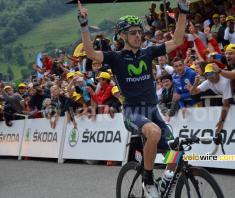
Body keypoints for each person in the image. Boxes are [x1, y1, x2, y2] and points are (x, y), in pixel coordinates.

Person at [77, 1, 190, 196]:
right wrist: (84, 26)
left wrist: (183, 11)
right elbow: (90, 53)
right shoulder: (116, 57)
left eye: (139, 31)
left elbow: (177, 40)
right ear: (122, 36)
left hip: (153, 111)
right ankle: (148, 178)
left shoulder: (149, 52)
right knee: (153, 133)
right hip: (132, 112)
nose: (138, 35)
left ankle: (166, 183)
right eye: (132, 32)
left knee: (176, 149)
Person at [190, 63, 233, 132]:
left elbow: (226, 104)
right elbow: (193, 93)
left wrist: (221, 121)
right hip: (226, 98)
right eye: (206, 74)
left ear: (217, 73)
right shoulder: (208, 82)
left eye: (210, 73)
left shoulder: (224, 82)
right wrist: (195, 84)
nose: (208, 76)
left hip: (233, 97)